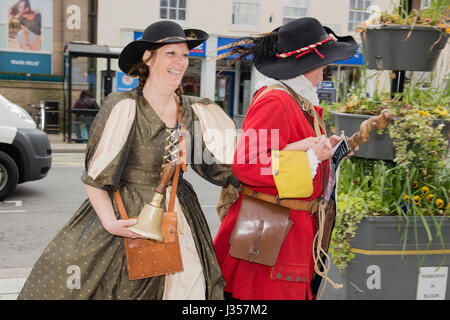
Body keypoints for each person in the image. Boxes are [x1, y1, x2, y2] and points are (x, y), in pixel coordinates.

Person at [18, 20, 238, 300]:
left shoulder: (193, 109)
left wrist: (275, 164)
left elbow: (216, 165)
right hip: (131, 216)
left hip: (179, 215)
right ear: (147, 58)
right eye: (171, 53)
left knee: (192, 287)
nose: (180, 62)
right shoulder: (124, 106)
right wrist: (110, 223)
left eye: (185, 55)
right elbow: (97, 177)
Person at [213, 17, 358, 300]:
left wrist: (325, 152)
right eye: (323, 62)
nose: (325, 69)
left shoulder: (298, 100)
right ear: (306, 65)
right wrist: (311, 158)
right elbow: (249, 165)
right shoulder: (275, 100)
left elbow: (290, 151)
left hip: (287, 233)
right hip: (271, 237)